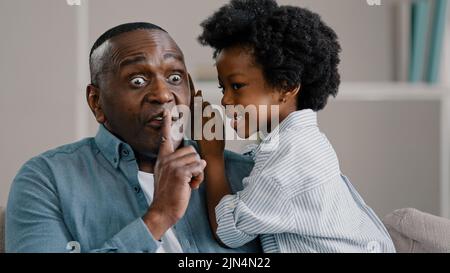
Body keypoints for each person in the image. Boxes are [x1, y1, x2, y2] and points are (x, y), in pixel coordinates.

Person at [5, 22, 261, 253]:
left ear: (192, 92)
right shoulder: (46, 180)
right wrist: (158, 217)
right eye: (137, 80)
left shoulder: (251, 176)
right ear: (97, 103)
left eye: (174, 78)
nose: (162, 94)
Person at [196, 0, 395, 253]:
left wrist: (212, 156)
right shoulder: (297, 141)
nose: (224, 100)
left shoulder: (290, 160)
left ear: (286, 87)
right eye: (222, 88)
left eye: (236, 86)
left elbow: (228, 230)